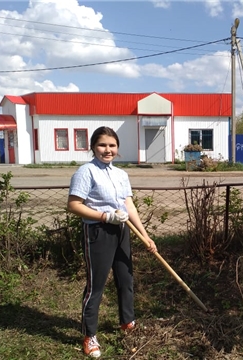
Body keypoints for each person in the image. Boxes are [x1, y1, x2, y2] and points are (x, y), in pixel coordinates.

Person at [67, 126, 157, 358]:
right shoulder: (86, 172)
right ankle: (89, 336)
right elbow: (74, 205)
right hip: (98, 232)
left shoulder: (121, 174)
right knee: (96, 285)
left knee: (126, 278)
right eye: (102, 145)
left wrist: (144, 234)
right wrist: (105, 216)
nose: (107, 150)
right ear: (93, 147)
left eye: (112, 145)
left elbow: (129, 205)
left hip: (122, 231)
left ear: (117, 148)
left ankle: (127, 321)